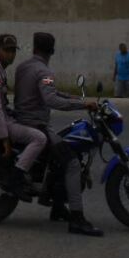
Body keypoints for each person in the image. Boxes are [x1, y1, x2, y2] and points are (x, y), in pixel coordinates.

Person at [15, 31, 103, 238]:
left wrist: (75, 98)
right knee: (72, 163)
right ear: (52, 51)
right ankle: (77, 219)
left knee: (57, 162)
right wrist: (82, 104)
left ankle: (57, 207)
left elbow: (50, 93)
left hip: (23, 121)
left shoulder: (23, 67)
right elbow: (51, 100)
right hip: (36, 126)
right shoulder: (44, 72)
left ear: (34, 48)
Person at [0, 33, 45, 199]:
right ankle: (16, 179)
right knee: (39, 139)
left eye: (13, 50)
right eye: (7, 50)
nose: (10, 54)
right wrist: (5, 138)